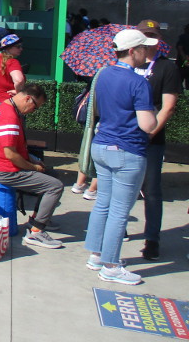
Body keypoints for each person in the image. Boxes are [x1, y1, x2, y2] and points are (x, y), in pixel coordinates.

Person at [84, 29, 158, 285]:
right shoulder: (139, 83)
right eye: (144, 47)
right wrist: (154, 112)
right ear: (133, 51)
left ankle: (96, 256)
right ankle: (111, 266)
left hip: (101, 146)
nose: (147, 52)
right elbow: (147, 124)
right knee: (119, 210)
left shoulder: (103, 74)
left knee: (103, 203)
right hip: (127, 150)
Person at [0, 83, 64, 249]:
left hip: (7, 167)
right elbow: (11, 154)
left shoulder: (6, 107)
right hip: (6, 171)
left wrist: (33, 160)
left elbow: (15, 148)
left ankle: (37, 219)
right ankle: (36, 232)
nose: (33, 111)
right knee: (55, 186)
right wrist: (33, 167)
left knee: (52, 175)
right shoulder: (9, 116)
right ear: (28, 99)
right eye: (35, 107)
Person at [133, 19, 182, 261]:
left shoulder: (166, 68)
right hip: (125, 138)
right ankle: (117, 231)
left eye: (153, 35)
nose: (149, 40)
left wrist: (149, 134)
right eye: (145, 35)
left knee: (151, 190)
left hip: (151, 140)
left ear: (159, 39)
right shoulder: (128, 64)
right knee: (123, 189)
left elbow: (168, 106)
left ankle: (152, 239)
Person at [176, 23, 189, 90]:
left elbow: (180, 48)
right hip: (183, 62)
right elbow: (180, 48)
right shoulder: (183, 37)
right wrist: (185, 59)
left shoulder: (183, 37)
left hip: (183, 61)